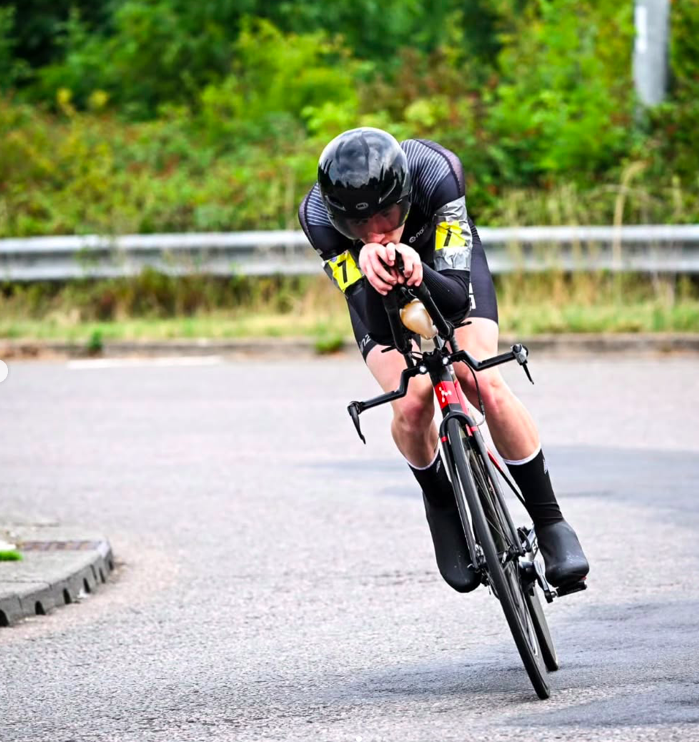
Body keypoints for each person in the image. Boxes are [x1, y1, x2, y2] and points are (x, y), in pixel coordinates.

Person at [298, 127, 589, 593]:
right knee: (411, 404)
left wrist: (418, 265)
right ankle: (442, 505)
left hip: (444, 264)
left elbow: (454, 301)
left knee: (478, 379)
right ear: (337, 219)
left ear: (406, 196)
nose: (376, 230)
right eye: (359, 226)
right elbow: (375, 325)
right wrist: (370, 271)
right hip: (378, 292)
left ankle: (551, 522)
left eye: (389, 214)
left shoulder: (436, 172)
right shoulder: (316, 217)